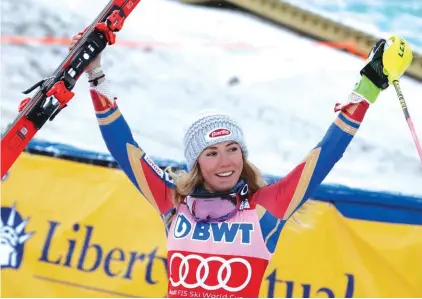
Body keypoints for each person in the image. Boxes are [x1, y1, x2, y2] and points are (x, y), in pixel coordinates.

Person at [69, 31, 407, 298]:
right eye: (211, 153)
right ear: (197, 163)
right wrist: (95, 72)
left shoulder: (266, 209)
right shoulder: (175, 204)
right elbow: (124, 148)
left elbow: (325, 155)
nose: (225, 161)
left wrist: (368, 86)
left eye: (232, 149)